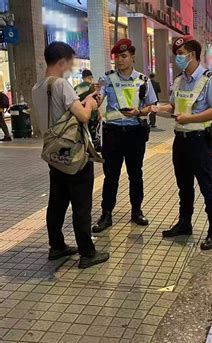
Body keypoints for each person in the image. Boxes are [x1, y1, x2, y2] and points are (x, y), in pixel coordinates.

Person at [31, 42, 109, 268]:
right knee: (81, 205)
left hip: (53, 153)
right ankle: (87, 253)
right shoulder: (61, 84)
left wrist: (83, 102)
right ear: (62, 61)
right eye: (70, 62)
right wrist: (92, 104)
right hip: (73, 153)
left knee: (57, 202)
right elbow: (83, 116)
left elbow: (58, 115)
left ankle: (57, 246)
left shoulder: (37, 86)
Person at [155, 35, 212, 251]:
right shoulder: (179, 80)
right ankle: (185, 223)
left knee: (206, 186)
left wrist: (190, 119)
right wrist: (158, 108)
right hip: (181, 141)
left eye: (180, 54)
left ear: (192, 54)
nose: (178, 58)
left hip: (200, 141)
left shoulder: (208, 78)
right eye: (176, 55)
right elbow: (175, 107)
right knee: (184, 186)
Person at [92, 39, 158, 233]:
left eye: (123, 56)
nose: (119, 60)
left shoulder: (143, 81)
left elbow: (151, 106)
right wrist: (94, 94)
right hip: (112, 133)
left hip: (134, 133)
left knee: (135, 174)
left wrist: (139, 112)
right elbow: (98, 100)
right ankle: (106, 214)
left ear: (132, 57)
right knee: (110, 175)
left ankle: (136, 211)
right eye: (116, 57)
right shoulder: (108, 78)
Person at [74, 69, 101, 151]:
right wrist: (99, 113)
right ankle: (97, 147)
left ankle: (83, 148)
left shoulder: (76, 88)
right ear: (90, 77)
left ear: (82, 77)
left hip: (81, 114)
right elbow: (97, 102)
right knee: (94, 133)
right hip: (92, 114)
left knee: (82, 134)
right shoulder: (92, 87)